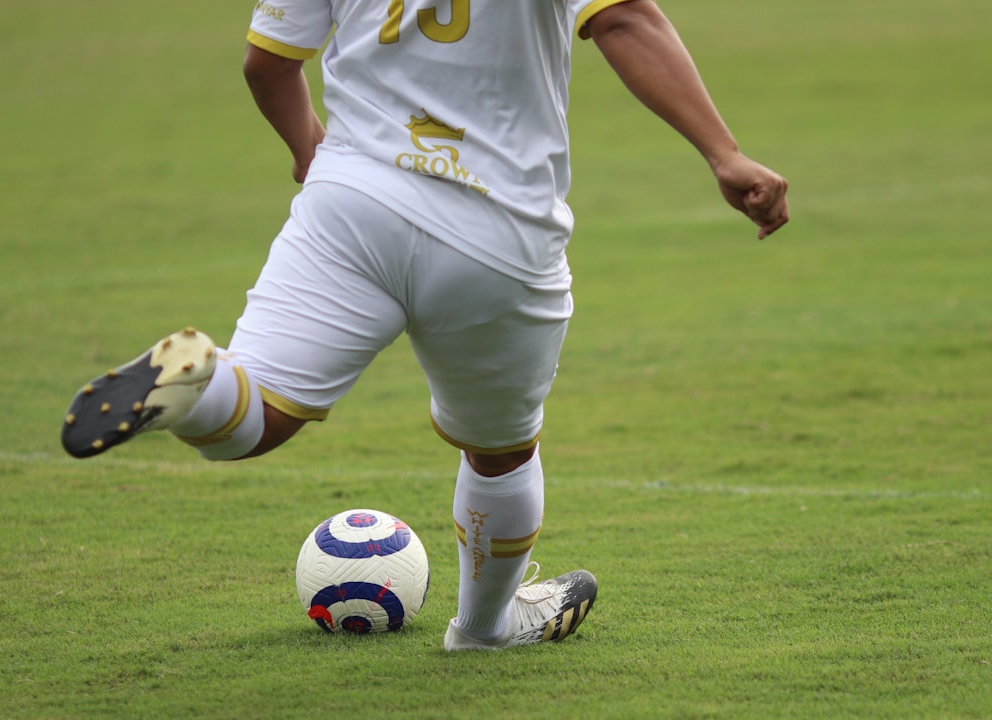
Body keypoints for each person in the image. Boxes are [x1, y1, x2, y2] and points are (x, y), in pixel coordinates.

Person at [61, 0, 789, 651]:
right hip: (497, 230)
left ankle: (195, 388)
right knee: (500, 451)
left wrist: (308, 151)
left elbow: (267, 63)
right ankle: (484, 629)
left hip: (354, 199)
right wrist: (723, 153)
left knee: (258, 415)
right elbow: (624, 19)